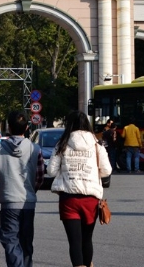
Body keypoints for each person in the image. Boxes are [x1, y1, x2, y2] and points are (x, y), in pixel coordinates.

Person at [47, 111, 111, 267]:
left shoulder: (62, 144)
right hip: (90, 199)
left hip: (68, 198)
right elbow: (107, 170)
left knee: (74, 241)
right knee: (87, 238)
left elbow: (51, 171)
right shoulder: (97, 145)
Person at [0, 110, 44, 267]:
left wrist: (6, 175)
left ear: (9, 127)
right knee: (26, 242)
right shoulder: (35, 149)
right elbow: (40, 177)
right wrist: (31, 189)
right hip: (28, 202)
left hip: (9, 202)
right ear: (26, 128)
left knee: (11, 241)